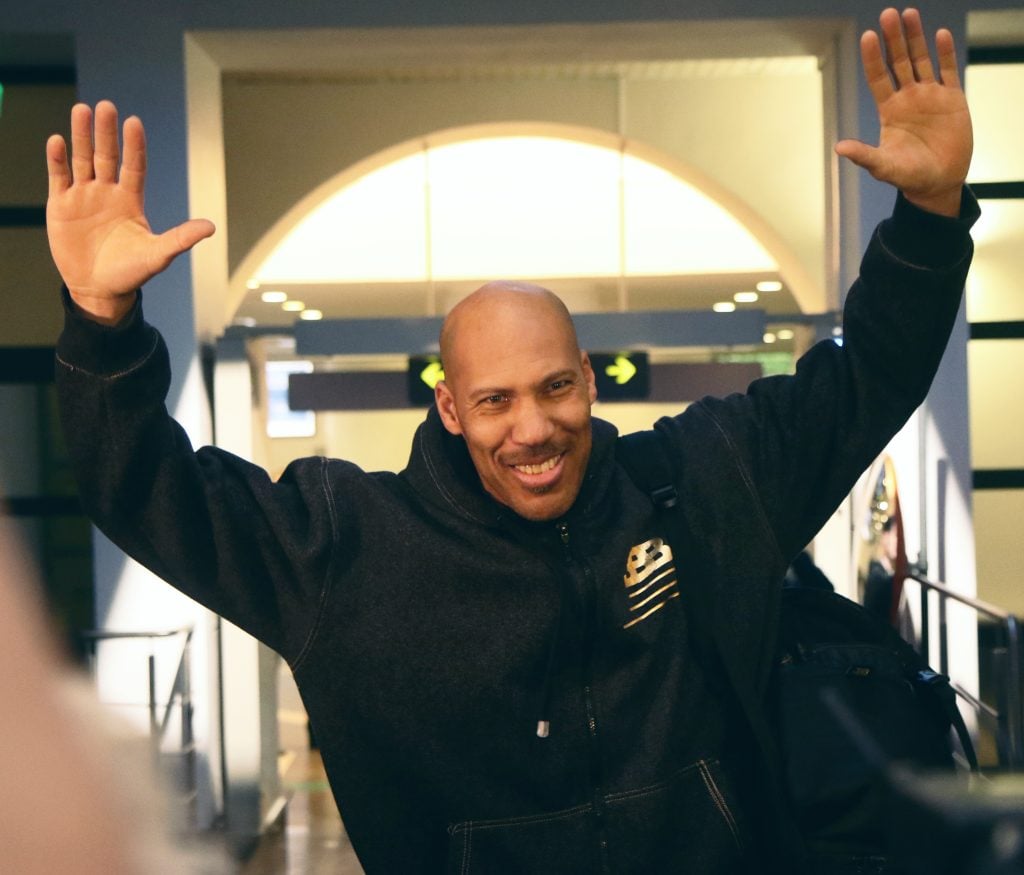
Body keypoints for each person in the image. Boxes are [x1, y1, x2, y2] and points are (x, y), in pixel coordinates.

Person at [47, 8, 976, 872]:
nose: (534, 429)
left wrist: (929, 222)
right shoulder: (343, 546)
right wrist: (101, 321)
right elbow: (143, 485)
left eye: (556, 387)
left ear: (588, 374)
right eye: (496, 401)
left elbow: (864, 381)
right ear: (450, 408)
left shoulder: (705, 480)